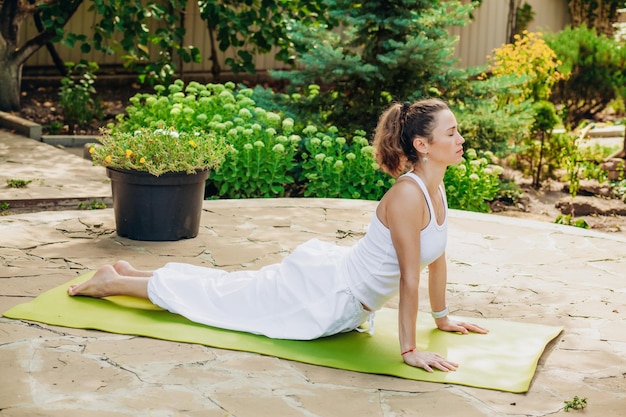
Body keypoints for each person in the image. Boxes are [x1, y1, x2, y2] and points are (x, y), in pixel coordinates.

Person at [68, 98, 488, 373]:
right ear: (422, 144)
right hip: (326, 296)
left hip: (335, 285)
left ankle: (132, 275)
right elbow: (409, 278)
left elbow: (439, 258)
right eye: (451, 132)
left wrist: (443, 318)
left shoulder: (438, 186)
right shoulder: (406, 197)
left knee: (230, 289)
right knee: (223, 300)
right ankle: (116, 282)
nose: (461, 137)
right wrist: (409, 351)